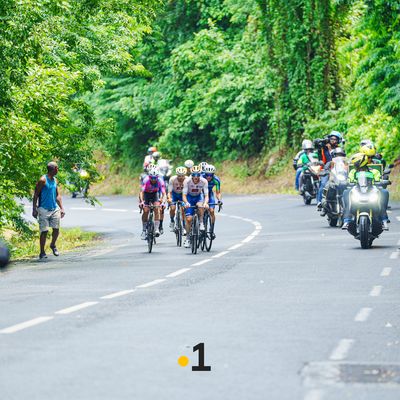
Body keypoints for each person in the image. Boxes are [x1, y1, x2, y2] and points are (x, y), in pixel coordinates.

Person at [341, 153, 389, 230]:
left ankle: (384, 219)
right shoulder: (352, 172)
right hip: (357, 191)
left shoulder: (374, 171)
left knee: (384, 192)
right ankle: (347, 219)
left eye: (356, 163)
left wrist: (381, 182)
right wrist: (346, 182)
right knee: (346, 192)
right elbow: (350, 181)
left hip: (371, 191)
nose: (355, 165)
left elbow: (378, 181)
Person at [32, 162, 65, 259]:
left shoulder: (55, 180)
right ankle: (42, 252)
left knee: (56, 229)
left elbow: (57, 195)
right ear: (53, 169)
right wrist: (34, 209)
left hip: (54, 208)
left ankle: (53, 245)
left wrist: (62, 208)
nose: (58, 170)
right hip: (43, 209)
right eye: (57, 168)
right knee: (44, 231)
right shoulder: (42, 180)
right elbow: (36, 195)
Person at [314, 131, 343, 209]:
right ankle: (319, 202)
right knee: (323, 183)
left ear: (338, 141)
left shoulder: (339, 149)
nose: (333, 140)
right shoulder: (324, 147)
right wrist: (320, 141)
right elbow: (316, 144)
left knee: (343, 183)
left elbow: (343, 159)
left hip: (337, 170)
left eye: (335, 139)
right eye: (332, 139)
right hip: (326, 169)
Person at [182, 166, 209, 248]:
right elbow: (184, 195)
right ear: (192, 175)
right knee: (189, 219)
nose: (196, 177)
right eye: (194, 175)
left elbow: (206, 195)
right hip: (189, 198)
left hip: (198, 197)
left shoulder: (204, 181)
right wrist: (186, 202)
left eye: (198, 175)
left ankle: (201, 223)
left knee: (201, 206)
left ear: (200, 175)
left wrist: (205, 203)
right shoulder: (187, 181)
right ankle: (187, 238)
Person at [139, 167, 166, 239]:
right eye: (152, 178)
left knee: (157, 208)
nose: (153, 180)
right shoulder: (146, 180)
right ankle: (144, 230)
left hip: (155, 194)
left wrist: (163, 202)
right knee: (146, 210)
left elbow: (164, 193)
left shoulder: (160, 181)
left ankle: (156, 229)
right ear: (149, 177)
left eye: (155, 178)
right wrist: (142, 202)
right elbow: (141, 192)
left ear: (157, 177)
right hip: (146, 194)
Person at [202, 164, 222, 239]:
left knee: (211, 211)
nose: (209, 177)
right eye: (207, 175)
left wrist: (219, 200)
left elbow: (218, 192)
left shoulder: (216, 180)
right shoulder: (201, 178)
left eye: (211, 175)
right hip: (200, 194)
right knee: (200, 209)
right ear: (205, 174)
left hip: (210, 194)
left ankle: (211, 230)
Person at [167, 167, 187, 232]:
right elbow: (169, 192)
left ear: (185, 175)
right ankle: (172, 221)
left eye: (182, 176)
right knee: (172, 208)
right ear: (177, 175)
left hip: (182, 195)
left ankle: (184, 227)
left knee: (183, 209)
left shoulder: (188, 179)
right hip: (174, 194)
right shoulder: (172, 179)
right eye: (179, 176)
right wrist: (169, 198)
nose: (181, 177)